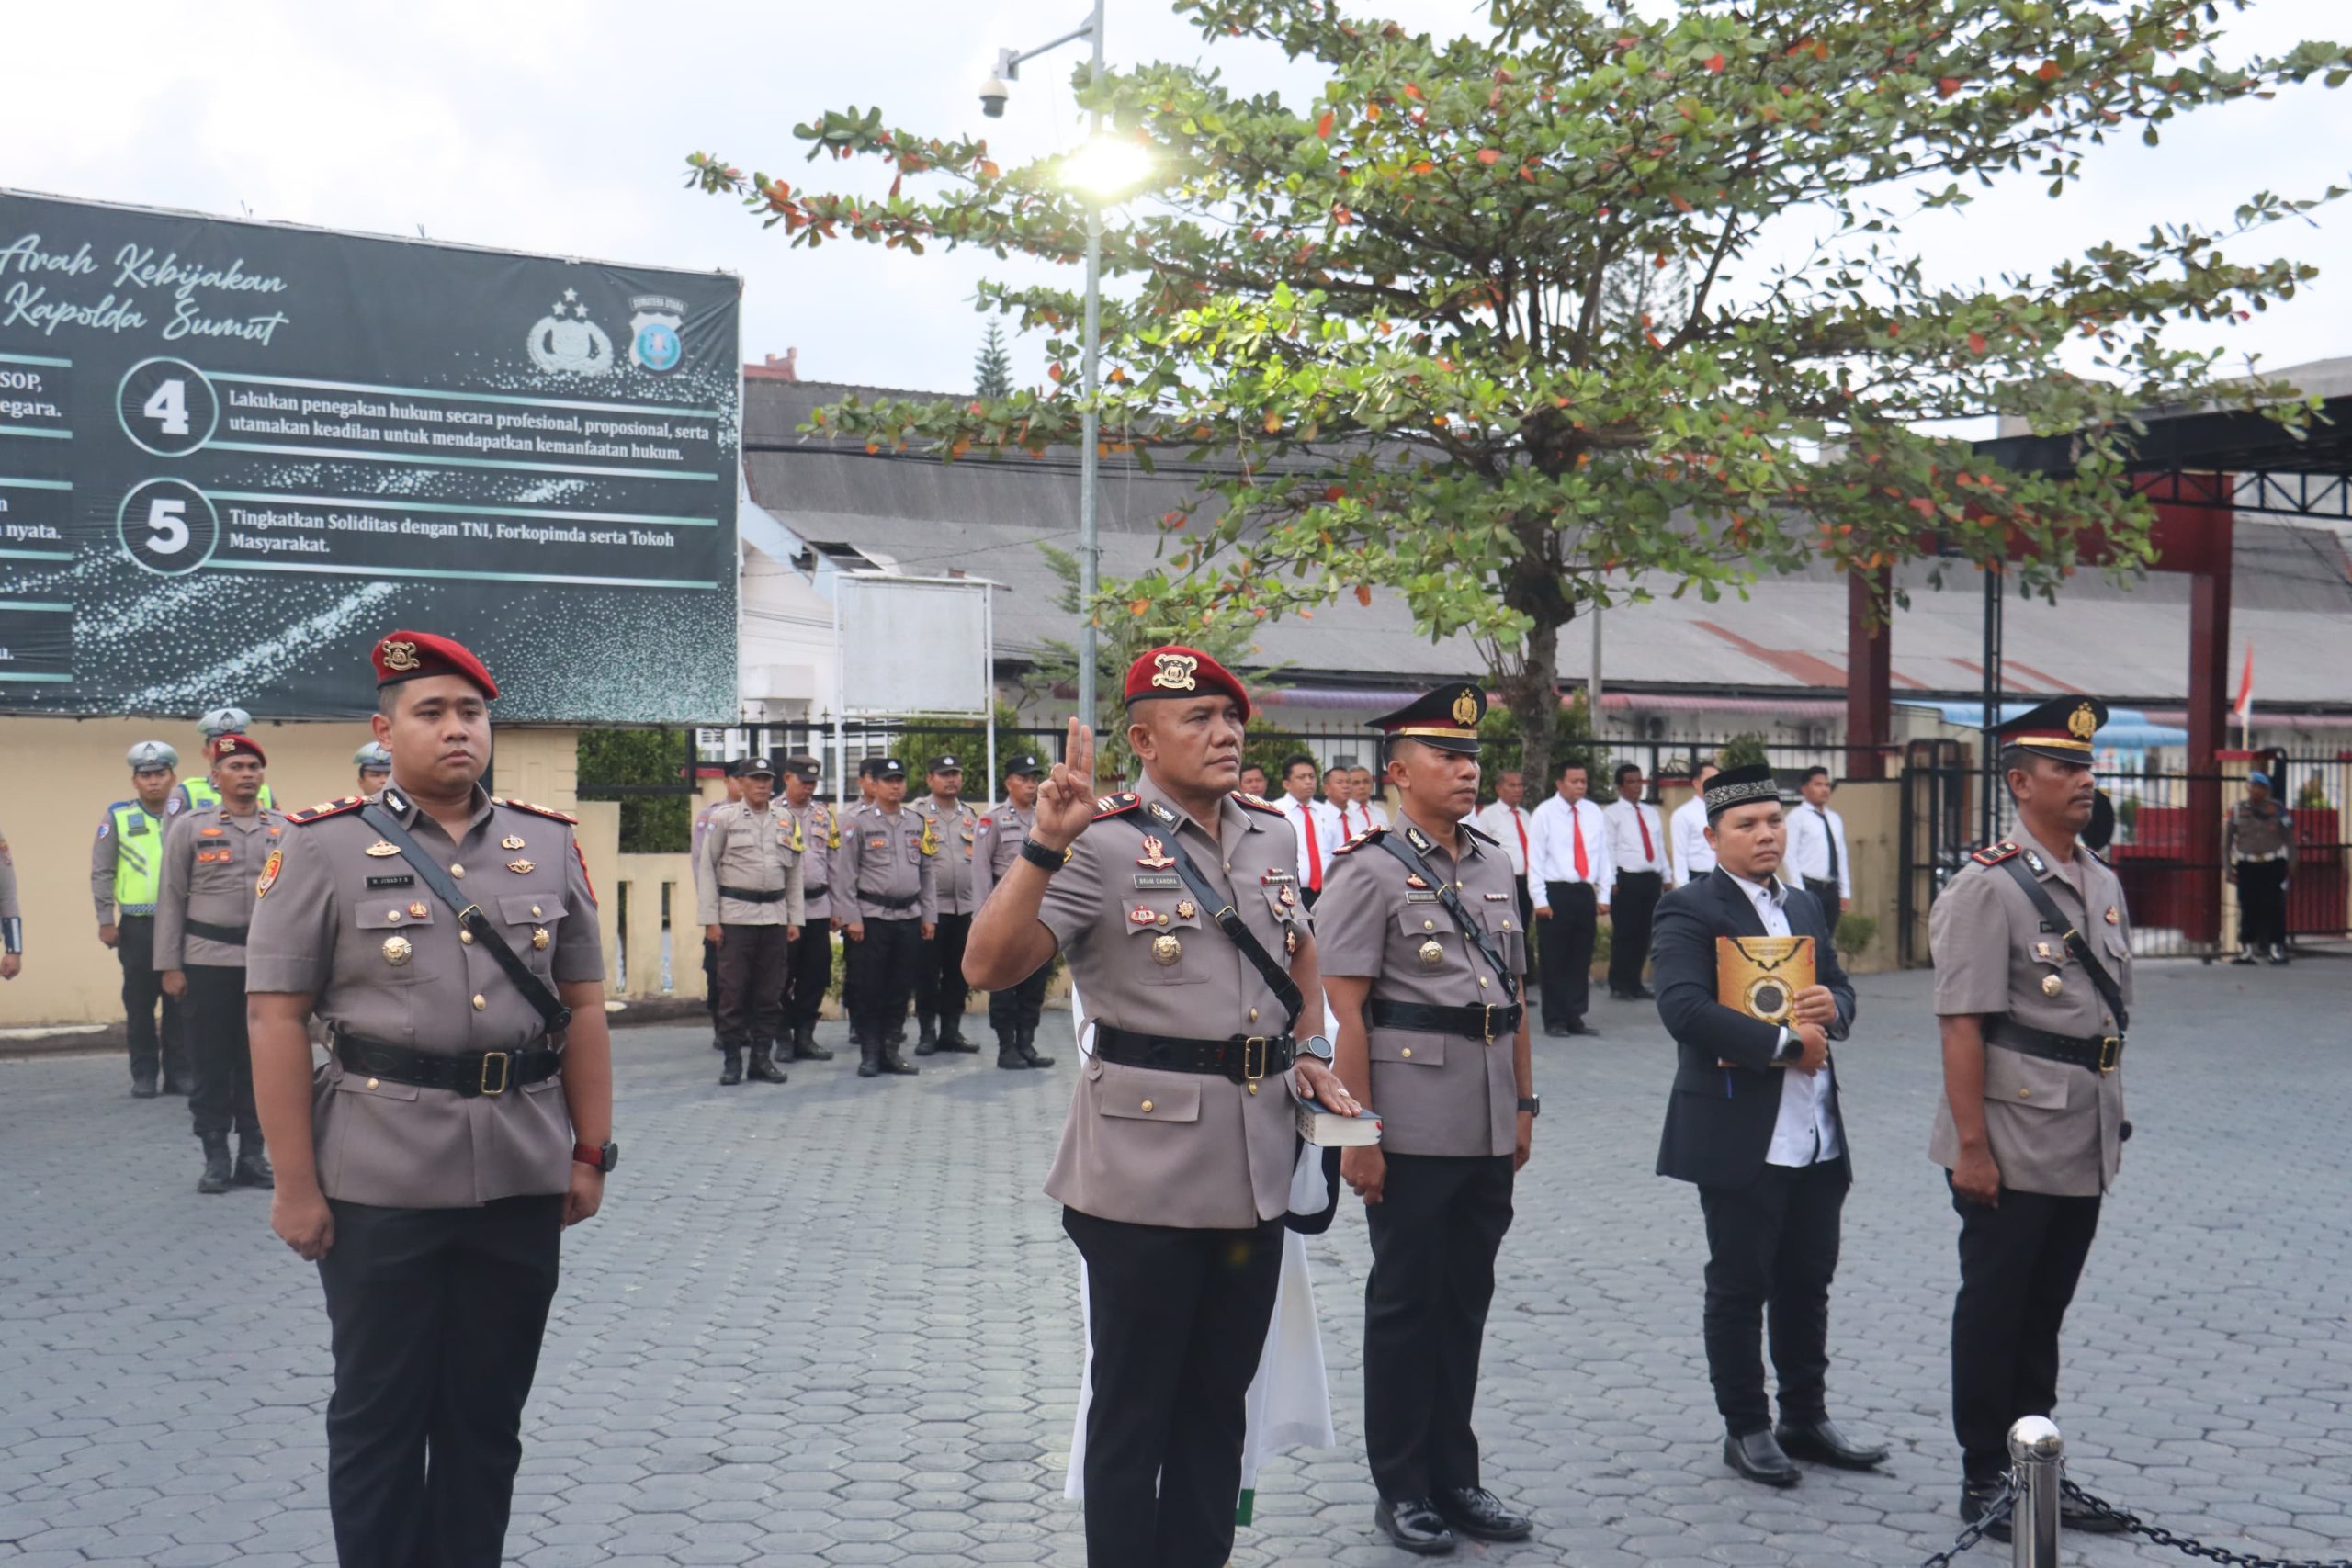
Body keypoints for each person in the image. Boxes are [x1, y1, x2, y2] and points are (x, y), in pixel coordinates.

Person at [961, 645, 1359, 1568]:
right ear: (1141, 739)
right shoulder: (1098, 843)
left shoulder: (1271, 835)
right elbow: (988, 965)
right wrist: (1042, 846)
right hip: (1139, 1178)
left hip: (1255, 1166)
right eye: (1198, 721)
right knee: (1134, 1409)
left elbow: (1296, 952)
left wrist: (1307, 1050)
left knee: (1220, 1405)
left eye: (1233, 720)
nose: (1224, 736)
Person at [247, 629, 614, 1568]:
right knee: (378, 1417)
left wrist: (588, 1150)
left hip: (522, 1173)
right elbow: (275, 1020)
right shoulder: (320, 846)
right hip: (377, 1176)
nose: (457, 730)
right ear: (385, 730)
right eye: (431, 713)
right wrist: (295, 1186)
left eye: (472, 712)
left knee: (486, 1418)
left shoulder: (547, 841)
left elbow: (581, 1008)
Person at [1320, 683, 1538, 1554]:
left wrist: (1524, 1105)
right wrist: (1359, 1133)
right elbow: (1346, 1014)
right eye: (1447, 757)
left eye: (1472, 756)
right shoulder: (1368, 867)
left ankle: (1457, 1475)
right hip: (1409, 1124)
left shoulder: (1493, 862)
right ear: (1399, 771)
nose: (1466, 770)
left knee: (1465, 1303)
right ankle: (1403, 1486)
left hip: (1486, 1117)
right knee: (1407, 1307)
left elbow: (1514, 998)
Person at [1652, 764, 1888, 1488]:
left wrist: (1832, 1011)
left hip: (1815, 1131)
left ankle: (1804, 1415)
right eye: (1747, 824)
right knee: (1739, 1281)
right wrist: (1789, 1045)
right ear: (1713, 835)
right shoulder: (1690, 909)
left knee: (1806, 1279)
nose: (1765, 834)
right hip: (1739, 1129)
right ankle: (1746, 1426)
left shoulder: (1807, 906)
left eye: (1773, 822)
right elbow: (1684, 1010)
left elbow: (1842, 987)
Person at [1929, 696, 2131, 1540]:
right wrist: (1972, 1146)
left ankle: (2035, 1466)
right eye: (2065, 768)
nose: (2085, 780)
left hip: (2080, 1129)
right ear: (2020, 782)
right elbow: (1962, 1024)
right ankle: (1985, 1474)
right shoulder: (1987, 886)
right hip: (2009, 1135)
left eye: (2087, 766)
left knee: (2044, 1309)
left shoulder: (2100, 875)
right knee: (1997, 1304)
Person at [156, 734, 286, 1194]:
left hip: (266, 964)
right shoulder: (190, 828)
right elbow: (170, 899)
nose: (246, 774)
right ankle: (215, 1156)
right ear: (216, 778)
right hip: (206, 962)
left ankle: (253, 1153)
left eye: (253, 766)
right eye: (236, 767)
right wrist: (169, 966)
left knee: (261, 1062)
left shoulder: (284, 829)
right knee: (210, 1061)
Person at [696, 758, 806, 1087]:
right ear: (741, 782)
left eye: (766, 779)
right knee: (733, 991)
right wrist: (710, 920)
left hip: (773, 917)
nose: (762, 785)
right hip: (735, 917)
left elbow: (795, 873)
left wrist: (794, 918)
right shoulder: (724, 818)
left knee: (770, 993)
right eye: (755, 779)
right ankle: (732, 1061)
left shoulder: (785, 820)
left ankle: (761, 1059)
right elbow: (707, 869)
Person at [94, 740, 192, 1097]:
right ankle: (144, 1073)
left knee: (179, 1001)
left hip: (182, 923)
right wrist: (105, 918)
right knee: (139, 1003)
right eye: (145, 775)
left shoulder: (188, 817)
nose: (153, 782)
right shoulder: (118, 816)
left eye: (160, 774)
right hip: (137, 926)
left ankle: (179, 1074)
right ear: (135, 781)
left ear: (173, 778)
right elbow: (102, 870)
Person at [836, 757, 933, 1078]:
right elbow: (845, 874)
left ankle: (891, 1051)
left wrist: (928, 915)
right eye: (888, 780)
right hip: (872, 918)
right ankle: (870, 1054)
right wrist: (852, 918)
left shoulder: (916, 822)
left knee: (900, 988)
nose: (895, 786)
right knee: (869, 988)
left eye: (899, 780)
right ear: (873, 785)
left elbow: (927, 872)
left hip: (908, 916)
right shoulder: (857, 822)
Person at [971, 753, 1056, 1071]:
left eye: (1034, 779)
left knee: (1034, 983)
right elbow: (980, 872)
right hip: (1004, 919)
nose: (1031, 784)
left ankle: (1027, 1044)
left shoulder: (1044, 819)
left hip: (1040, 916)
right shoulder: (992, 820)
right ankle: (1006, 1047)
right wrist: (981, 919)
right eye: (1024, 779)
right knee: (1005, 985)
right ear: (1009, 783)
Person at [1528, 758, 1611, 1038]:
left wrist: (1604, 893)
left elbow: (1603, 854)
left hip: (1582, 891)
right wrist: (1540, 899)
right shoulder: (1545, 813)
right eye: (1574, 781)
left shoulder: (1593, 812)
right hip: (1555, 891)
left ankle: (1575, 1015)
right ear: (1560, 783)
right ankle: (1554, 1018)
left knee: (1580, 956)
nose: (1580, 786)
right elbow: (1536, 859)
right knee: (1554, 958)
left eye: (1583, 781)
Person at [911, 755, 983, 1056]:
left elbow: (979, 863)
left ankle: (951, 1031)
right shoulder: (915, 814)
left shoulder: (970, 816)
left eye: (955, 773)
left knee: (958, 973)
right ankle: (927, 1033)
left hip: (964, 909)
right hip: (932, 910)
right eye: (944, 774)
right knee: (927, 974)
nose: (951, 779)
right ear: (930, 779)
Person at [777, 757, 839, 1061]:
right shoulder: (772, 812)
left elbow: (834, 862)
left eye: (813, 783)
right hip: (784, 910)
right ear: (787, 777)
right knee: (779, 977)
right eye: (803, 782)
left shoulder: (823, 815)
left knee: (815, 975)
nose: (808, 788)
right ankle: (782, 1036)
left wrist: (838, 907)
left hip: (817, 907)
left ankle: (805, 1036)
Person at [1601, 762, 1668, 1001]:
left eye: (1640, 781)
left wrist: (1666, 876)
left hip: (1650, 877)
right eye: (1631, 781)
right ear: (1620, 786)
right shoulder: (1611, 814)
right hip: (1626, 878)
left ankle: (1636, 982)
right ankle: (1619, 982)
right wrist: (1611, 880)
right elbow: (1608, 848)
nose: (1637, 786)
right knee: (1625, 933)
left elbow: (1659, 846)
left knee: (1644, 933)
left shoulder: (1650, 812)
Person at [690, 767, 746, 1047]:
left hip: (755, 911)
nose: (746, 785)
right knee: (719, 972)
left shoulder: (769, 817)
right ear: (727, 782)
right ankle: (722, 1029)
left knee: (754, 974)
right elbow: (703, 867)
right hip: (723, 907)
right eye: (740, 779)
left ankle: (747, 1028)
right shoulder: (710, 817)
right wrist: (710, 914)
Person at [2226, 771, 2295, 965]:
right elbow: (2227, 840)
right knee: (2248, 906)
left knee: (2274, 906)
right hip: (2247, 864)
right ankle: (2247, 949)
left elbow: (2289, 837)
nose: (2255, 790)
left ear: (2266, 790)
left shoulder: (2277, 810)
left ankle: (2276, 948)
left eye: (2260, 787)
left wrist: (2292, 862)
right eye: (2252, 786)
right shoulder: (2238, 810)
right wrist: (2226, 866)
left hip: (2273, 864)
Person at [1473, 770, 1538, 970]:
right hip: (1503, 883)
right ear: (1499, 789)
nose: (1518, 790)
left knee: (1522, 931)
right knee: (1503, 931)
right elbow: (1480, 850)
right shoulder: (1488, 816)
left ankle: (1522, 983)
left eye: (1520, 785)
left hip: (1527, 881)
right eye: (1512, 785)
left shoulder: (1526, 815)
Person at [170, 706, 277, 817]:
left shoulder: (264, 793)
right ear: (205, 752)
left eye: (236, 743)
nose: (229, 749)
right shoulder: (187, 792)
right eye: (220, 744)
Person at [1272, 754, 1341, 909]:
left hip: (1328, 891)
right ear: (1286, 784)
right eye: (1301, 777)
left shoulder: (1328, 812)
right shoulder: (1276, 811)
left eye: (1311, 776)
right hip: (1291, 892)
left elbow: (1337, 852)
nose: (1309, 781)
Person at [1784, 767, 1852, 915]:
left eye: (1827, 785)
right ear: (1804, 789)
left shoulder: (1835, 819)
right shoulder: (1796, 817)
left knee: (1828, 935)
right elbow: (1789, 856)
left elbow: (1841, 854)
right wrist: (1799, 891)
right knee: (1811, 934)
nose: (1824, 790)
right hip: (1809, 886)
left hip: (1831, 887)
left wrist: (1845, 891)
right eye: (1818, 785)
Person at [1669, 761, 1721, 886]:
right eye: (1710, 779)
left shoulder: (1725, 812)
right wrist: (1682, 887)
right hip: (1698, 878)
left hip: (1723, 876)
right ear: (1696, 783)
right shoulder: (1683, 814)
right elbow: (1680, 854)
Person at [1349, 764, 1393, 832]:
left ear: (1372, 785)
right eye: (1356, 783)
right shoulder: (1342, 815)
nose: (1362, 786)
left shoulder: (1381, 813)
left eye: (1366, 782)